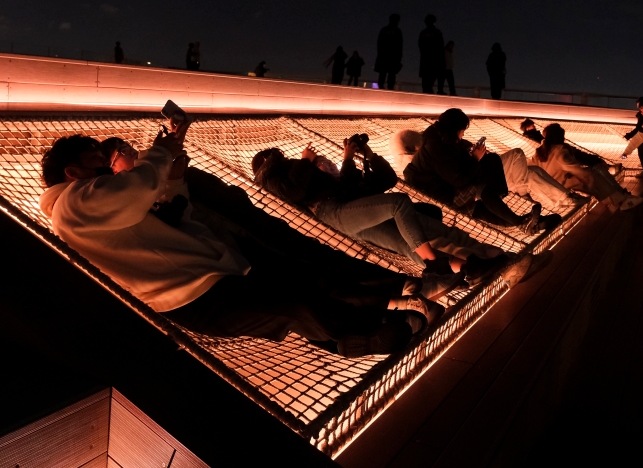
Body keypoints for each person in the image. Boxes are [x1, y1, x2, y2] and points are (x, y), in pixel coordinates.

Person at [41, 130, 423, 358]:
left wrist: (173, 174)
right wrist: (161, 151)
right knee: (295, 303)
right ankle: (375, 329)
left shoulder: (92, 206)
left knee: (296, 300)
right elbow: (137, 189)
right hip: (190, 293)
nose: (107, 170)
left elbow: (172, 211)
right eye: (99, 162)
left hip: (210, 275)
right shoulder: (71, 205)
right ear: (72, 173)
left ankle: (369, 330)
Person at [253, 137, 545, 289]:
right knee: (400, 206)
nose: (322, 163)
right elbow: (293, 190)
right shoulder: (278, 178)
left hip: (353, 207)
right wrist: (307, 162)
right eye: (319, 164)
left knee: (435, 233)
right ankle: (437, 266)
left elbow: (381, 180)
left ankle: (491, 262)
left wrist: (363, 156)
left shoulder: (322, 178)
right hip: (337, 213)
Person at [404, 108, 558, 235]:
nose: (463, 134)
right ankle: (522, 222)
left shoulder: (441, 137)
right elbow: (458, 179)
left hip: (442, 187)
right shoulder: (436, 147)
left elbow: (454, 153)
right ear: (454, 129)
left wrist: (469, 149)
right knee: (480, 189)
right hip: (438, 196)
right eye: (462, 130)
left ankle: (526, 223)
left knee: (480, 205)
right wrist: (475, 158)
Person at [532, 124, 643, 212]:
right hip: (562, 184)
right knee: (594, 175)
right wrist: (587, 178)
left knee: (595, 172)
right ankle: (621, 201)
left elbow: (531, 166)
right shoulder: (560, 150)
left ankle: (620, 197)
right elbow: (571, 167)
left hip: (555, 183)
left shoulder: (540, 151)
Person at [374, 14, 403, 90]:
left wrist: (380, 53)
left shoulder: (384, 30)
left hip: (383, 54)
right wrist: (399, 56)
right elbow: (399, 45)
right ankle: (390, 87)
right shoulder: (397, 31)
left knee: (383, 72)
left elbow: (379, 43)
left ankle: (381, 85)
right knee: (391, 72)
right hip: (393, 55)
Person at [418, 14, 445, 94]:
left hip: (426, 61)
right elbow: (440, 47)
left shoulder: (423, 33)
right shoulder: (437, 32)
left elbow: (420, 46)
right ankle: (438, 92)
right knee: (430, 83)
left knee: (426, 85)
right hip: (435, 61)